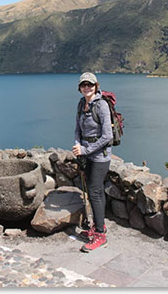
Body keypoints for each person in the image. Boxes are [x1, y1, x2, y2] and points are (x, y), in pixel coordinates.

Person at [72, 72, 113, 252]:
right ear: (80, 88)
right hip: (86, 154)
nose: (86, 87)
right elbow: (77, 129)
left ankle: (99, 235)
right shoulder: (82, 104)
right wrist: (77, 145)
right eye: (83, 85)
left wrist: (86, 150)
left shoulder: (102, 105)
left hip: (100, 156)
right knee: (96, 191)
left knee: (95, 192)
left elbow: (107, 136)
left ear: (96, 86)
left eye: (90, 84)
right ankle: (100, 226)